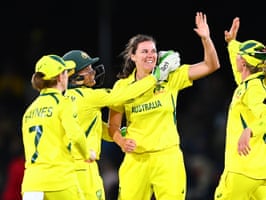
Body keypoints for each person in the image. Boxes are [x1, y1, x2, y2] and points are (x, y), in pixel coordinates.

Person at [108, 11, 220, 200]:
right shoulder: (122, 86)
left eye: (153, 51)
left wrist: (206, 38)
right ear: (133, 57)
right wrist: (121, 141)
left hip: (167, 157)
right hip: (136, 159)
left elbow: (211, 65)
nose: (150, 55)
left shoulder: (169, 77)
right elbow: (113, 127)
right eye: (144, 51)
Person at [62, 49, 180, 200]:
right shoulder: (88, 97)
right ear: (75, 77)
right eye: (88, 69)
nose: (93, 72)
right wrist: (156, 76)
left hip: (63, 169)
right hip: (83, 167)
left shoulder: (62, 99)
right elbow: (125, 94)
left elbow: (88, 125)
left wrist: (116, 134)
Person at [214, 17, 266, 200]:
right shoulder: (255, 82)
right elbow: (240, 74)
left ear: (243, 62)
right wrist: (232, 42)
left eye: (239, 55)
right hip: (264, 171)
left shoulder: (252, 89)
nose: (236, 57)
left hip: (242, 170)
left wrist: (249, 130)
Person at [21, 54, 96, 200]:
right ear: (60, 77)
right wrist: (87, 153)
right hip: (59, 180)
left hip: (31, 183)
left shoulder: (29, 110)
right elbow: (76, 135)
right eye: (65, 72)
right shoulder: (62, 102)